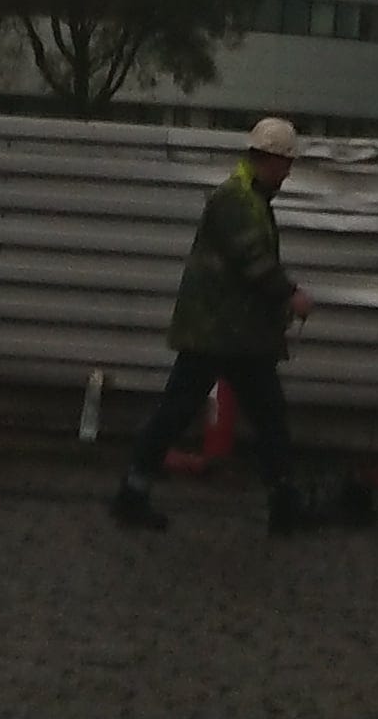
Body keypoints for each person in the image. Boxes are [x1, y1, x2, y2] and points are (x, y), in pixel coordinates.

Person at [111, 117, 316, 532]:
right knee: (193, 412)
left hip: (229, 333)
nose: (289, 172)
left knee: (252, 413)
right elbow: (253, 261)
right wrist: (290, 294)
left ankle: (283, 503)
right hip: (218, 333)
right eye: (286, 163)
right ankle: (133, 494)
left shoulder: (248, 197)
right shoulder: (236, 200)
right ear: (269, 159)